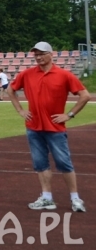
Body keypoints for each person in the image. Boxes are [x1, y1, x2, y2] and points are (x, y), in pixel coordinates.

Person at [7, 42, 90, 213]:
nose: (38, 57)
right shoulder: (27, 74)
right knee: (40, 163)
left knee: (64, 163)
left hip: (55, 128)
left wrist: (69, 114)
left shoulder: (64, 75)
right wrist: (21, 110)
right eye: (36, 54)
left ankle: (75, 198)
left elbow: (85, 95)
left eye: (42, 54)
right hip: (34, 127)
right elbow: (11, 90)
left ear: (51, 54)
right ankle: (47, 198)